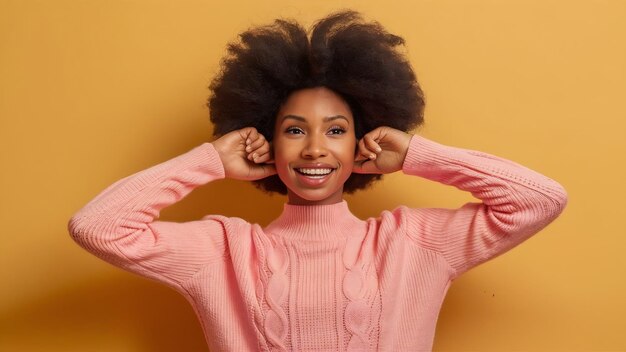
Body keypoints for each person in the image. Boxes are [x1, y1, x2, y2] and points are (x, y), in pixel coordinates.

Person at [67, 10, 568, 352]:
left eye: (336, 130)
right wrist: (210, 161)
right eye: (293, 130)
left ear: (360, 142)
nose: (314, 148)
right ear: (266, 139)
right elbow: (97, 227)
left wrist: (416, 154)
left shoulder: (415, 243)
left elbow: (540, 199)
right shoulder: (223, 251)